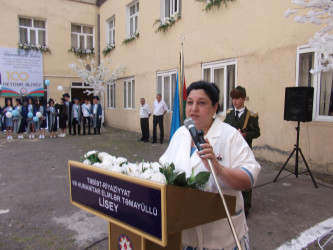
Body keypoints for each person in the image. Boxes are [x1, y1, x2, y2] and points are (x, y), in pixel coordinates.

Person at [159, 81, 261, 250]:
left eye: (202, 103)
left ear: (214, 108)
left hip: (221, 237)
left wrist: (219, 169)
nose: (193, 108)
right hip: (184, 234)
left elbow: (248, 179)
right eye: (190, 102)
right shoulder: (180, 134)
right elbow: (164, 170)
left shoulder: (229, 135)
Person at [224, 86, 261, 217]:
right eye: (233, 98)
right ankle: (230, 202)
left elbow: (256, 132)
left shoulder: (251, 115)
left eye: (238, 98)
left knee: (244, 175)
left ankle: (245, 205)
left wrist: (246, 135)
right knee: (230, 176)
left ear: (244, 99)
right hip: (230, 149)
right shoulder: (229, 114)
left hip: (244, 150)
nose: (234, 101)